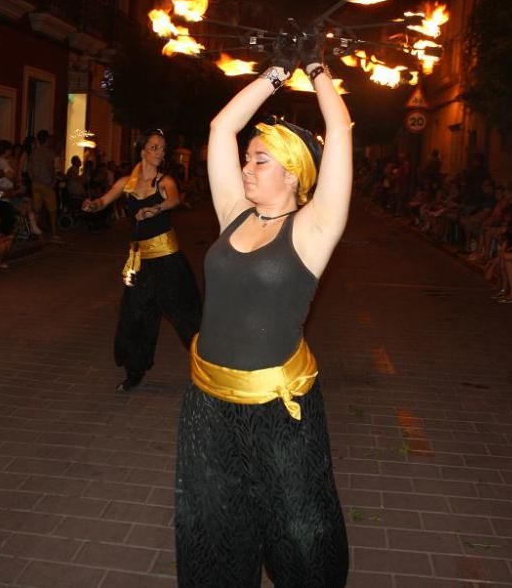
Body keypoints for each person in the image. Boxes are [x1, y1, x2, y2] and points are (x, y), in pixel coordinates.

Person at [174, 36, 350, 586]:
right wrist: (275, 73)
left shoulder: (314, 228)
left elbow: (340, 132)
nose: (246, 167)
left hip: (279, 408)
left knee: (297, 530)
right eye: (248, 159)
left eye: (260, 159)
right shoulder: (233, 212)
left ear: (293, 172)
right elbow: (220, 129)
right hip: (208, 402)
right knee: (214, 521)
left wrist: (318, 68)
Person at [82, 129, 202, 392]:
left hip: (169, 261)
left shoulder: (164, 181)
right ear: (142, 151)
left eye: (162, 148)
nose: (160, 152)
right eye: (155, 147)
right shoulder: (126, 183)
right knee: (135, 317)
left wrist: (155, 208)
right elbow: (104, 200)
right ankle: (134, 371)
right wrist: (93, 205)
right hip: (140, 262)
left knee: (186, 318)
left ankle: (211, 371)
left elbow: (173, 199)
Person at [29, 130, 61, 242]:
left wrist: (33, 179)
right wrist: (53, 181)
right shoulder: (50, 153)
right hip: (47, 184)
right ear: (47, 139)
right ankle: (54, 233)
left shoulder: (34, 152)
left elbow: (30, 169)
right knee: (52, 209)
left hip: (36, 183)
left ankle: (35, 232)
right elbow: (54, 169)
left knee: (37, 208)